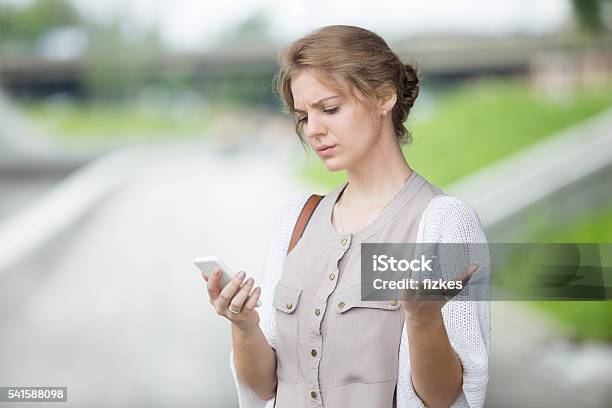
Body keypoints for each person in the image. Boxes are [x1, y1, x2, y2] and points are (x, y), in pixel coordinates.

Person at [202, 25, 490, 408]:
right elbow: (265, 386)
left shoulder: (443, 224)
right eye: (304, 117)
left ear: (384, 97)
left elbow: (446, 399)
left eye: (330, 109)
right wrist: (243, 325)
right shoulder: (296, 222)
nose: (315, 131)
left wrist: (423, 320)